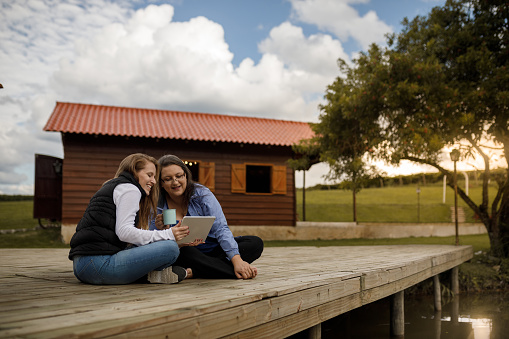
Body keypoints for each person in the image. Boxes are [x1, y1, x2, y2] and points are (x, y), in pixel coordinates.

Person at [69, 153, 195, 285]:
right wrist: (168, 234)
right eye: (149, 175)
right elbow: (124, 232)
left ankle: (150, 277)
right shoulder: (130, 189)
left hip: (82, 266)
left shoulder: (115, 186)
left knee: (155, 245)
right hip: (98, 265)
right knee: (171, 248)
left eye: (154, 176)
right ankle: (149, 276)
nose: (154, 181)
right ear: (134, 172)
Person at [150, 154, 264, 279]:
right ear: (160, 183)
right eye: (168, 178)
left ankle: (196, 271)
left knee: (255, 243)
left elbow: (221, 228)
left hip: (214, 248)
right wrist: (162, 230)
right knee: (180, 250)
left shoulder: (201, 193)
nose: (175, 182)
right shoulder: (156, 205)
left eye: (179, 176)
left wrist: (237, 259)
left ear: (186, 175)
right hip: (186, 253)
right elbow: (154, 246)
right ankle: (233, 271)